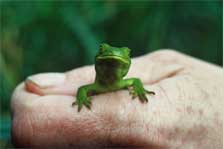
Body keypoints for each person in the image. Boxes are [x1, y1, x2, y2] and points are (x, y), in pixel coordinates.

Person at [11, 50, 223, 148]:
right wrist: (81, 99)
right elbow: (83, 89)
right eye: (104, 52)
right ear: (98, 62)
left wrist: (139, 91)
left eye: (125, 55)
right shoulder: (94, 86)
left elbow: (136, 81)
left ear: (127, 64)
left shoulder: (126, 82)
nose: (113, 57)